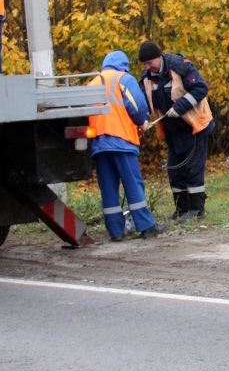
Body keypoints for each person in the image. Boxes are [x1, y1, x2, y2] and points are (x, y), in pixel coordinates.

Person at [88, 51, 167, 240]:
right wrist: (143, 121)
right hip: (121, 140)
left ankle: (116, 232)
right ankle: (146, 226)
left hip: (99, 143)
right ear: (123, 65)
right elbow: (138, 107)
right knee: (133, 183)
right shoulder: (123, 78)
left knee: (108, 188)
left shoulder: (93, 82)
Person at [138, 41, 215, 220]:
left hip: (193, 127)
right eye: (145, 64)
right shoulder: (147, 77)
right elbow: (143, 99)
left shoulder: (180, 66)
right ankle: (181, 210)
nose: (148, 67)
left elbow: (200, 88)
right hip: (172, 131)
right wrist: (142, 119)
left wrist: (179, 107)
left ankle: (196, 211)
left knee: (193, 170)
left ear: (159, 57)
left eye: (150, 63)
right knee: (174, 170)